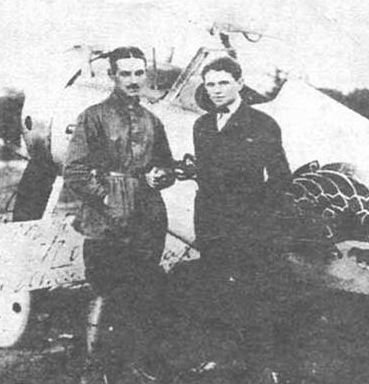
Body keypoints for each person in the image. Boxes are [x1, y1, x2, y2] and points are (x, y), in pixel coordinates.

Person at [185, 56, 302, 383]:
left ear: (239, 83)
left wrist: (257, 214)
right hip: (212, 223)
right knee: (216, 289)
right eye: (210, 84)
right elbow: (206, 176)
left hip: (249, 225)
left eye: (224, 82)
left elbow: (280, 177)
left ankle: (262, 366)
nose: (217, 90)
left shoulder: (262, 124)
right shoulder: (202, 125)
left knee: (254, 293)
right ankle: (221, 357)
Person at [64, 46, 176, 384]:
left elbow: (166, 167)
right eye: (125, 73)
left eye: (139, 73)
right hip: (105, 225)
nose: (133, 80)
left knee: (143, 295)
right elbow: (75, 172)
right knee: (106, 294)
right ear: (113, 75)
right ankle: (97, 371)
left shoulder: (152, 121)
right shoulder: (93, 117)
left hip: (146, 224)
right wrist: (109, 197)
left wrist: (161, 176)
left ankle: (136, 369)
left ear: (146, 75)